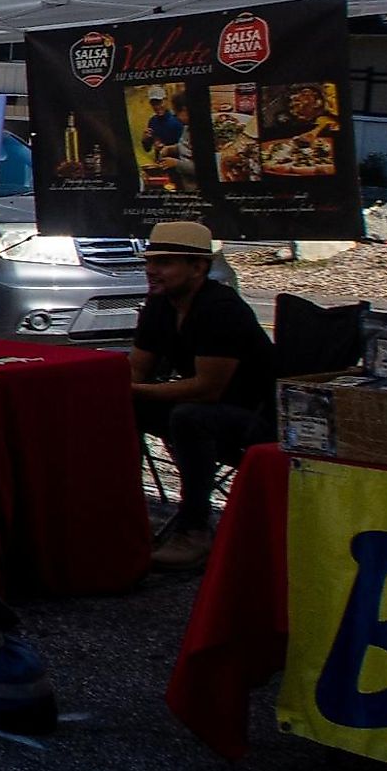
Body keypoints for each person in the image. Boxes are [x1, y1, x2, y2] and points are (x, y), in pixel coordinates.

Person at [131, 220, 275, 570]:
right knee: (121, 404)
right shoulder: (160, 305)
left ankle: (195, 528)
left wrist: (135, 389)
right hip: (207, 411)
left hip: (259, 417)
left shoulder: (220, 308)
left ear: (198, 268)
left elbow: (208, 389)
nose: (152, 271)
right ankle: (126, 511)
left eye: (164, 263)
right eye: (149, 262)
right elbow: (137, 369)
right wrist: (119, 389)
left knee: (189, 417)